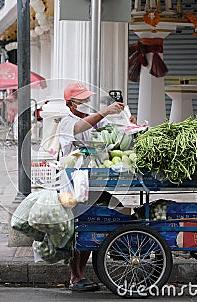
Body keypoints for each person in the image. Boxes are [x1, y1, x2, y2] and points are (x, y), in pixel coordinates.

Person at [58, 82, 136, 292]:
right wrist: (104, 112)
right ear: (71, 104)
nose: (86, 102)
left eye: (87, 98)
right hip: (72, 185)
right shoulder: (67, 122)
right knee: (79, 228)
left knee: (97, 220)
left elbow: (114, 138)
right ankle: (76, 276)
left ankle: (81, 273)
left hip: (92, 181)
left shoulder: (93, 123)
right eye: (82, 99)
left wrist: (129, 126)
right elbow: (78, 129)